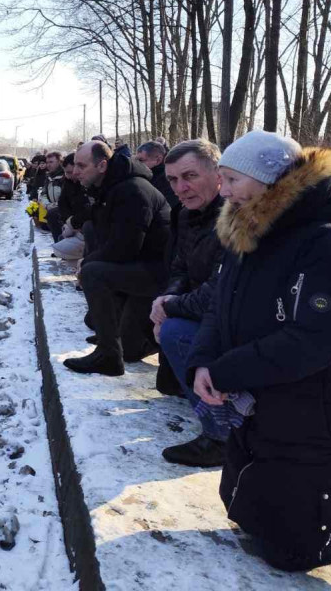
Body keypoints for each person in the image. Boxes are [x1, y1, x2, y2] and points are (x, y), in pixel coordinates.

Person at [186, 131, 331, 571]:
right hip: (265, 406)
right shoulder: (246, 230)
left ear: (269, 180)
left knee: (293, 549)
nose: (223, 190)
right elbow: (221, 307)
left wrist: (226, 372)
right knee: (247, 514)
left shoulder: (328, 243)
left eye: (233, 180)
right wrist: (202, 362)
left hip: (319, 411)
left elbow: (313, 341)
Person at [146, 140, 228, 463]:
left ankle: (221, 435)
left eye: (190, 176)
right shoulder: (184, 213)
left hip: (233, 318)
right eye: (173, 180)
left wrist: (171, 308)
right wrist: (167, 298)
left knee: (174, 331)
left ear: (218, 174)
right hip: (203, 308)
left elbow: (219, 291)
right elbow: (180, 266)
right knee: (167, 382)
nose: (181, 188)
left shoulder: (234, 215)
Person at [63, 140, 171, 376]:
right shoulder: (108, 188)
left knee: (93, 273)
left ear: (102, 165)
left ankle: (109, 355)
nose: (75, 171)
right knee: (129, 349)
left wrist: (87, 263)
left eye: (81, 166)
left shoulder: (132, 190)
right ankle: (115, 339)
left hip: (156, 275)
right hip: (137, 269)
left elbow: (126, 248)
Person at [50, 153, 90, 262]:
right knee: (53, 215)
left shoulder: (87, 182)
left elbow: (89, 208)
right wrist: (68, 221)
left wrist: (73, 223)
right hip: (73, 219)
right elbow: (63, 203)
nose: (67, 175)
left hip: (83, 223)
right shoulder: (68, 181)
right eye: (65, 172)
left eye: (69, 172)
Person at [137, 140, 180, 208]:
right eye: (137, 160)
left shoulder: (169, 178)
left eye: (141, 160)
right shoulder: (146, 175)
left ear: (158, 160)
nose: (138, 164)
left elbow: (168, 206)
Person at [40, 152, 66, 240]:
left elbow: (67, 195)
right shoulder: (48, 177)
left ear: (59, 162)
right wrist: (47, 205)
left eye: (51, 162)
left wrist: (57, 205)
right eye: (47, 162)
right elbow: (43, 194)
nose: (48, 165)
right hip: (51, 209)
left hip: (63, 211)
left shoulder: (65, 176)